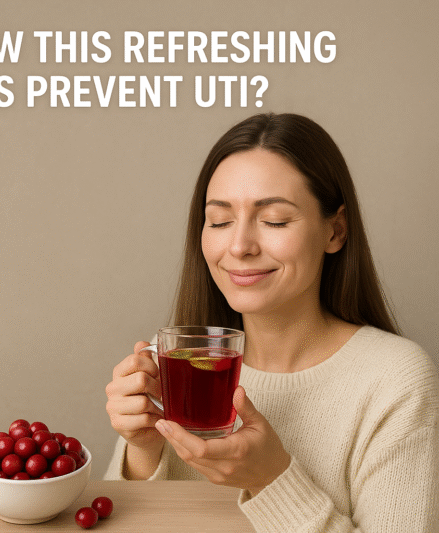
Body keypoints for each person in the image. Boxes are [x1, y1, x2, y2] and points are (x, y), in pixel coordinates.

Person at [104, 113, 438, 532]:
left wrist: (271, 480)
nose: (240, 246)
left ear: (335, 231)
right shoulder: (174, 361)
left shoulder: (395, 380)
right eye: (220, 221)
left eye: (275, 220)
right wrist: (142, 452)